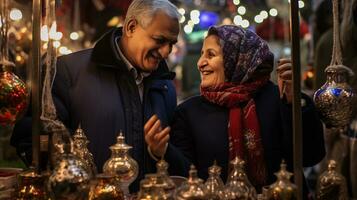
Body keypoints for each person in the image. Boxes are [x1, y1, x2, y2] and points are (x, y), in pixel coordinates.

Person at [11, 0, 180, 191]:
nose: (166, 52)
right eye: (159, 40)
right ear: (131, 27)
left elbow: (174, 162)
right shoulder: (67, 71)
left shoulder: (165, 87)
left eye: (171, 44)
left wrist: (159, 153)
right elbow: (31, 140)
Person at [144, 25, 325, 195]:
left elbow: (310, 156)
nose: (200, 63)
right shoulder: (189, 112)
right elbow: (186, 175)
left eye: (211, 54)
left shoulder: (278, 98)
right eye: (201, 54)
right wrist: (162, 151)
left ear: (238, 58)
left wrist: (294, 102)